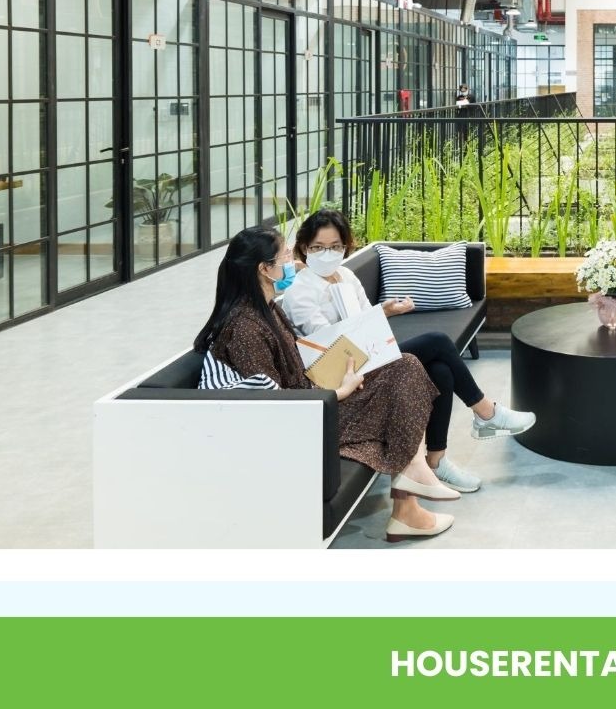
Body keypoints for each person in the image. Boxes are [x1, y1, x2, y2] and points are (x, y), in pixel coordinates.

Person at [193, 225, 461, 542]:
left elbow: (293, 373)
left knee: (404, 365)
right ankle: (411, 491)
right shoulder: (245, 328)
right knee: (405, 375)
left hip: (313, 400)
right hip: (304, 424)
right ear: (265, 269)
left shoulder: (267, 309)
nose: (294, 262)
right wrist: (339, 391)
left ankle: (410, 494)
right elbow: (276, 407)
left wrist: (337, 375)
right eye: (286, 256)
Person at [283, 209, 535, 495]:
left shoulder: (345, 275)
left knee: (441, 371)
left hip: (368, 352)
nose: (328, 254)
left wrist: (386, 311)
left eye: (335, 247)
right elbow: (328, 344)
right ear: (304, 248)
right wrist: (373, 324)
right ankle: (486, 412)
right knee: (438, 341)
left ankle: (437, 460)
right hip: (344, 371)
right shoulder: (300, 292)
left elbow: (366, 318)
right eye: (319, 248)